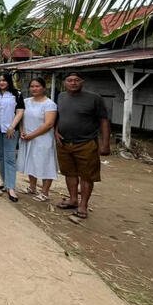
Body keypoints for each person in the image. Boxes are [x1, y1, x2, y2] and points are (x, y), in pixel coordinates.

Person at [55, 72, 110, 219]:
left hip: (86, 143)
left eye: (76, 80)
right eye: (69, 80)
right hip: (64, 143)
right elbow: (58, 116)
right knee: (69, 173)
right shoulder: (61, 97)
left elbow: (104, 121)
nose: (73, 83)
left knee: (87, 176)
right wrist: (56, 131)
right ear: (65, 82)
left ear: (82, 82)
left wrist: (105, 144)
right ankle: (73, 199)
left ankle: (83, 205)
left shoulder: (94, 99)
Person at [17, 77, 58, 202]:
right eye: (32, 86)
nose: (34, 89)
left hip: (43, 139)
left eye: (37, 86)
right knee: (31, 162)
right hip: (27, 137)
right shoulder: (25, 101)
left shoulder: (49, 104)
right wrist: (22, 131)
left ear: (44, 88)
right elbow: (20, 118)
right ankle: (32, 187)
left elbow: (49, 124)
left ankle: (45, 192)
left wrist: (32, 135)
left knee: (45, 164)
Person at [0, 72, 25, 202]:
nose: (1, 83)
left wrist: (12, 126)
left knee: (10, 158)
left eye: (4, 80)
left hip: (11, 131)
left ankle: (11, 188)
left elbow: (20, 112)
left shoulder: (17, 94)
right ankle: (5, 183)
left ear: (9, 81)